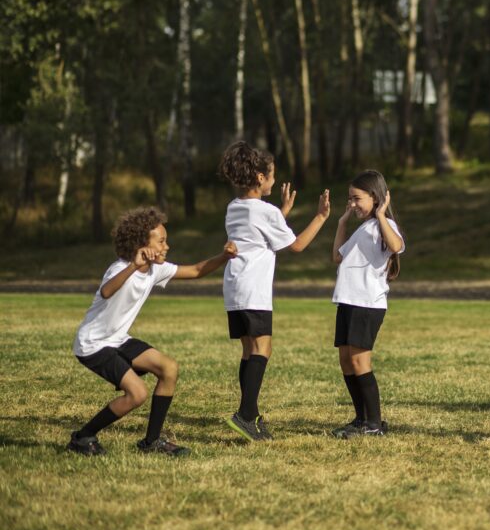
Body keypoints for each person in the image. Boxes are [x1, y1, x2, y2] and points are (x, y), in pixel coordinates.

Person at [68, 207, 237, 457]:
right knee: (137, 394)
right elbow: (106, 291)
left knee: (168, 368)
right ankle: (82, 438)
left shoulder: (156, 269)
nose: (166, 246)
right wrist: (133, 267)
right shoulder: (120, 268)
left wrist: (223, 256)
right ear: (141, 245)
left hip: (118, 340)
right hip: (93, 345)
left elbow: (196, 270)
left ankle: (152, 442)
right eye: (161, 241)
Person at [218, 141, 330, 441]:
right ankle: (244, 415)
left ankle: (250, 414)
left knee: (248, 350)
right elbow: (296, 245)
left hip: (234, 288)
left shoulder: (234, 207)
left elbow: (258, 235)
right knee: (262, 349)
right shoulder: (267, 212)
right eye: (271, 176)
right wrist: (320, 216)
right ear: (259, 178)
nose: (274, 180)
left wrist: (281, 213)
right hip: (254, 289)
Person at [329, 170, 405, 439]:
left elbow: (396, 246)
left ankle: (374, 424)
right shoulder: (362, 228)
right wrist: (342, 222)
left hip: (367, 303)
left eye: (356, 198)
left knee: (360, 362)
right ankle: (360, 419)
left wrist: (382, 215)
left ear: (375, 197)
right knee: (346, 362)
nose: (352, 203)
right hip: (348, 301)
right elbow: (338, 256)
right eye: (349, 198)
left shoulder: (384, 225)